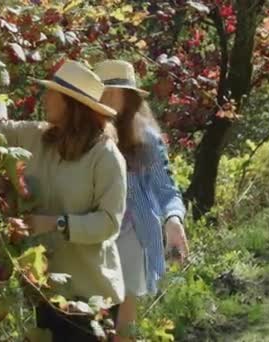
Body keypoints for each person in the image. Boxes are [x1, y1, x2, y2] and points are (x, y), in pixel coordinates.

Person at [0, 60, 127, 341]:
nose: (46, 98)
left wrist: (56, 223)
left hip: (90, 296)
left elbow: (109, 223)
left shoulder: (105, 156)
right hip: (47, 291)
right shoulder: (36, 137)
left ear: (70, 104)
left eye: (52, 93)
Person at [95, 60, 189, 341]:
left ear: (130, 96)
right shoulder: (82, 137)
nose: (110, 98)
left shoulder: (146, 139)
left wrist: (173, 220)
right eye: (104, 91)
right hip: (88, 237)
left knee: (123, 326)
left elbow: (166, 189)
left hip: (130, 238)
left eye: (117, 91)